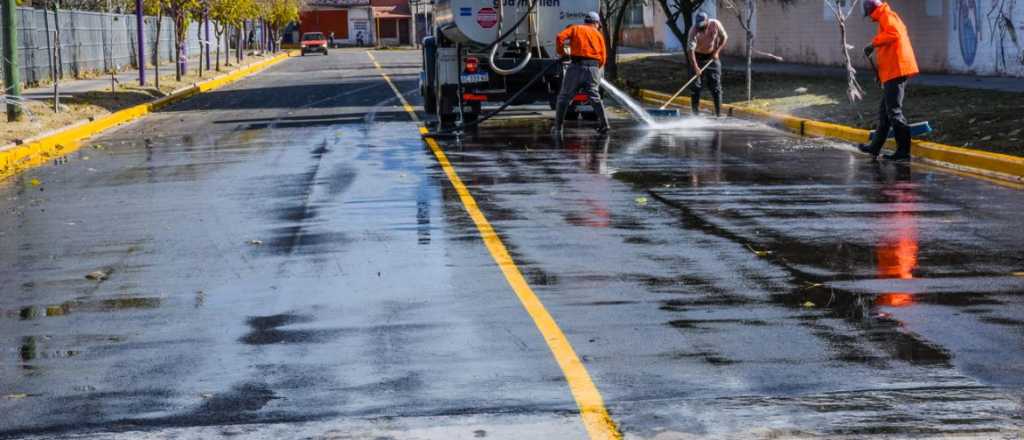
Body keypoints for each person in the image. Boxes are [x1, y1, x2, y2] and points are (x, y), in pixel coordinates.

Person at [858, 0, 919, 162]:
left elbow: (894, 33)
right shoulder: (885, 17)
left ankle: (904, 152)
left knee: (894, 112)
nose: (870, 17)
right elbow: (889, 47)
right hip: (892, 71)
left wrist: (873, 44)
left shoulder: (887, 15)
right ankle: (874, 147)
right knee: (885, 114)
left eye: (869, 13)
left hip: (897, 70)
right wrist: (880, 73)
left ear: (871, 9)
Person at [553, 11, 610, 135]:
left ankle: (558, 127)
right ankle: (605, 125)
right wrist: (595, 69)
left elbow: (559, 37)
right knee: (595, 98)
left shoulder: (575, 28)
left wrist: (562, 52)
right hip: (594, 68)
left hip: (576, 67)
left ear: (586, 21)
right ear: (596, 23)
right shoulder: (598, 34)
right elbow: (604, 57)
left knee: (564, 98)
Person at [687, 12, 728, 117]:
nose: (700, 27)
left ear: (707, 21)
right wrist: (696, 67)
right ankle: (695, 115)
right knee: (696, 86)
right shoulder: (693, 31)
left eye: (702, 25)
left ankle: (719, 113)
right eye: (698, 25)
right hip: (697, 57)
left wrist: (717, 51)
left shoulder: (715, 24)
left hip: (712, 57)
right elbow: (690, 51)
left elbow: (724, 38)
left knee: (716, 86)